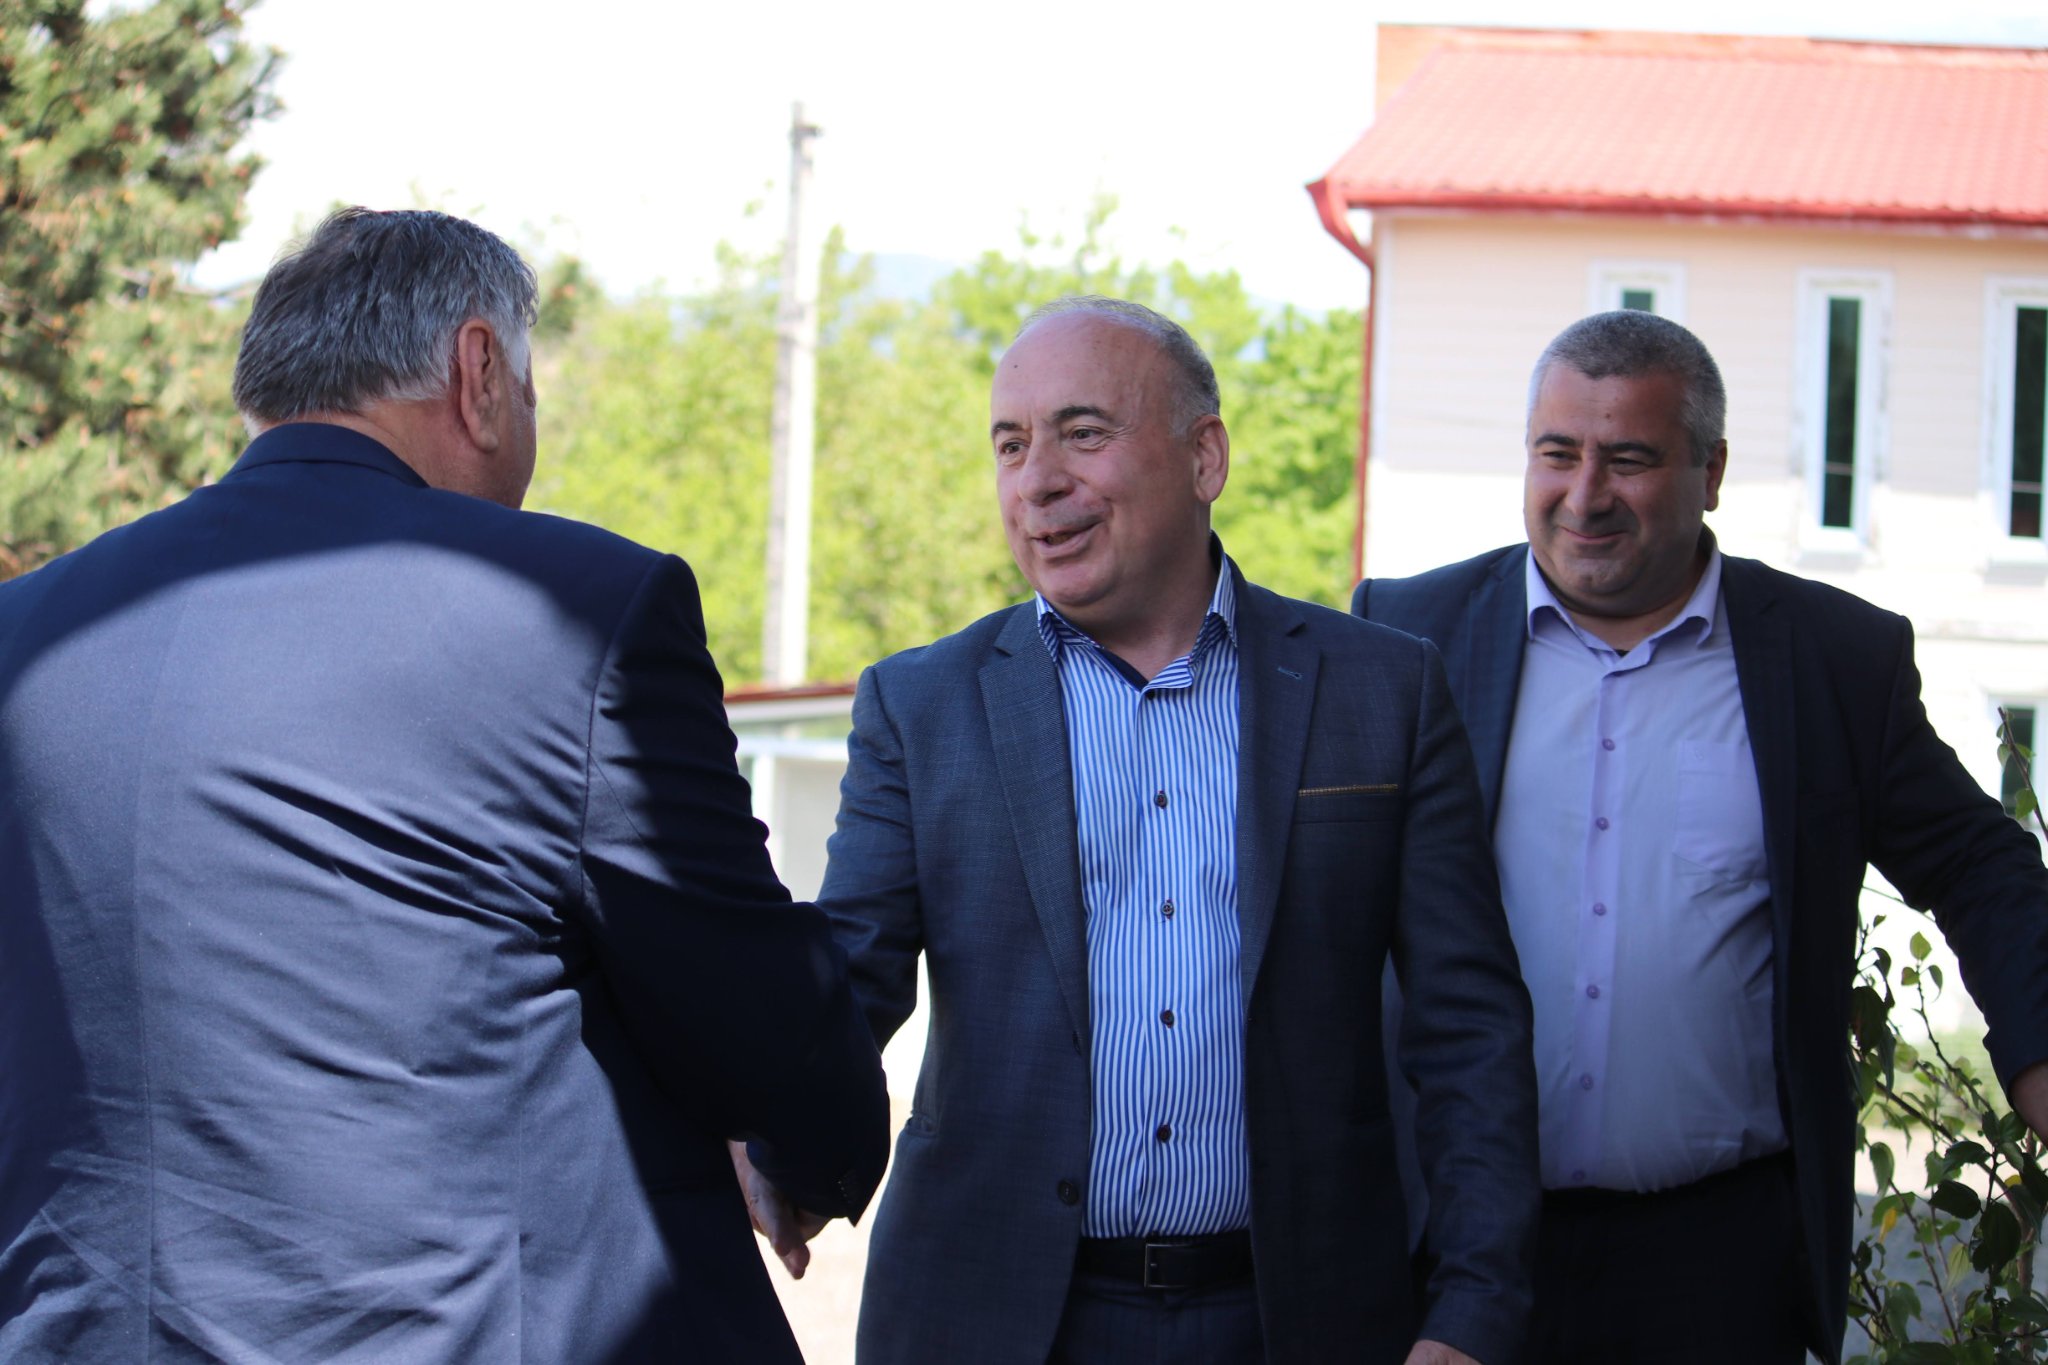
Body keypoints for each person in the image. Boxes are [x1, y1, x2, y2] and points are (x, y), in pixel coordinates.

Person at [0, 207, 889, 1363]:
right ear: (478, 373)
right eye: (530, 389)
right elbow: (753, 1010)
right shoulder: (571, 610)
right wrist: (810, 1150)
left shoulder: (29, 630)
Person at [794, 297, 1538, 1364]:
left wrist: (1471, 1311)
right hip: (990, 1320)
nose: (1036, 480)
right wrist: (771, 1142)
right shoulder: (922, 706)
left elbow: (1469, 1029)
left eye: (1081, 432)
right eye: (1011, 445)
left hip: (1300, 1321)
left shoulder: (1382, 690)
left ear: (1204, 458)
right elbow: (846, 986)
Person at [1354, 309, 2048, 1365]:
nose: (1584, 495)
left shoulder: (1828, 659)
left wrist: (2038, 1050)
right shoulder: (1406, 635)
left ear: (1710, 471)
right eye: (1556, 454)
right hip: (1452, 1256)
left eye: (1628, 460)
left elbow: (1975, 861)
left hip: (1718, 1266)